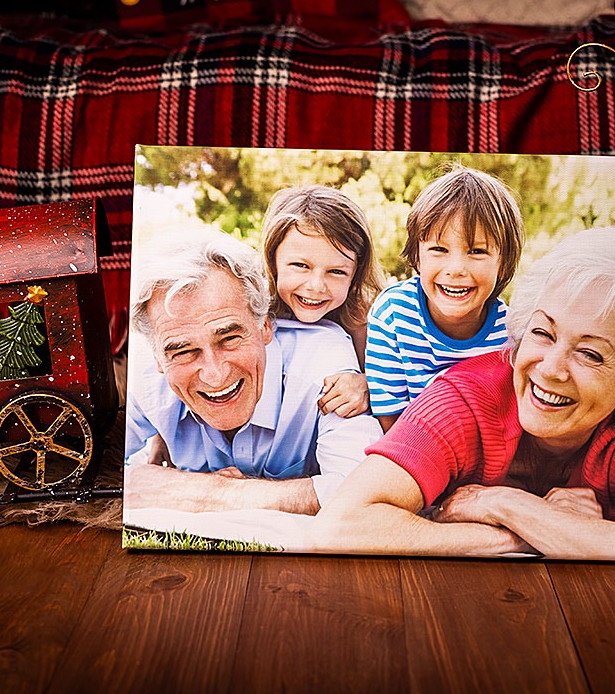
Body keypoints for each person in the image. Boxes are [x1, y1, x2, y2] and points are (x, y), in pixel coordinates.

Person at [313, 227, 615, 560]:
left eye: (590, 354)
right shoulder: (462, 401)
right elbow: (340, 525)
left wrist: (503, 504)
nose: (550, 369)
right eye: (543, 333)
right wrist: (528, 530)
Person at [124, 229, 383, 515]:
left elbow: (362, 492)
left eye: (230, 339)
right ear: (158, 357)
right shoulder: (147, 382)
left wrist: (204, 491)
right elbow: (77, 471)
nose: (215, 375)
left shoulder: (325, 366)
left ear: (264, 326)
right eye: (184, 352)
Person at [364, 165, 525, 430]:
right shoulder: (393, 314)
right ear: (417, 255)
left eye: (476, 251)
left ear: (503, 262)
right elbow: (389, 421)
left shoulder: (511, 334)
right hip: (408, 448)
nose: (456, 269)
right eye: (439, 249)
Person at [260, 185, 384, 418]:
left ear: (355, 274)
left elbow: (392, 383)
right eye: (300, 266)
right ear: (272, 259)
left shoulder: (363, 319)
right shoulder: (252, 306)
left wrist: (366, 384)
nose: (316, 286)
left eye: (336, 271)